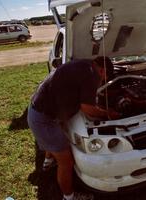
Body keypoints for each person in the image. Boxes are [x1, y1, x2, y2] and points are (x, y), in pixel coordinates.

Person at [27, 56, 119, 200]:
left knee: (54, 141)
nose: (103, 81)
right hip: (44, 119)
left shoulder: (83, 64)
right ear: (102, 70)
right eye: (105, 78)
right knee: (66, 161)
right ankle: (69, 197)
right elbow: (87, 108)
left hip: (39, 110)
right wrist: (107, 113)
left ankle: (47, 163)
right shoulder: (91, 74)